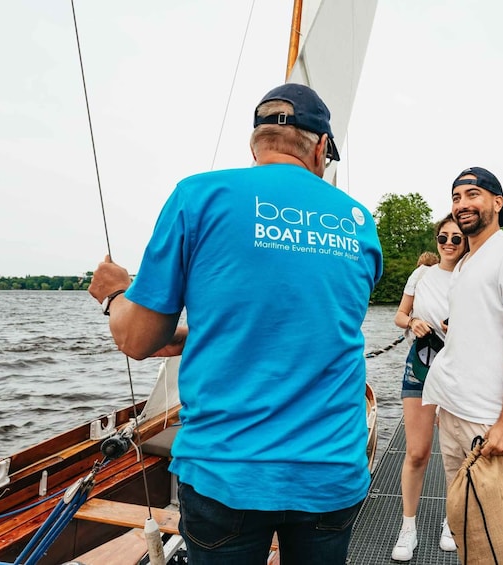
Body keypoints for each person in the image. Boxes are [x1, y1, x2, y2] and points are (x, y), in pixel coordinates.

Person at [88, 83, 383, 565]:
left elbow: (136, 338)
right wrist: (193, 338)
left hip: (227, 474)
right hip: (331, 468)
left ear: (256, 142)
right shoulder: (358, 221)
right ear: (322, 148)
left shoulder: (198, 196)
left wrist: (115, 293)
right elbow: (311, 325)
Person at [422, 167, 503, 562]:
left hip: (489, 421)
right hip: (455, 412)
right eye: (456, 197)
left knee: (497, 537)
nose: (462, 205)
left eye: (472, 195)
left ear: (497, 201)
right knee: (464, 526)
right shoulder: (465, 264)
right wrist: (445, 401)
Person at [390, 214, 467, 561]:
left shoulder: (473, 275)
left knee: (456, 456)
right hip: (420, 366)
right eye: (443, 238)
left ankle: (450, 523)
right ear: (436, 240)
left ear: (466, 242)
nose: (448, 244)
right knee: (418, 452)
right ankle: (409, 528)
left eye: (456, 238)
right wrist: (415, 321)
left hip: (459, 372)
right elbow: (400, 316)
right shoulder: (422, 275)